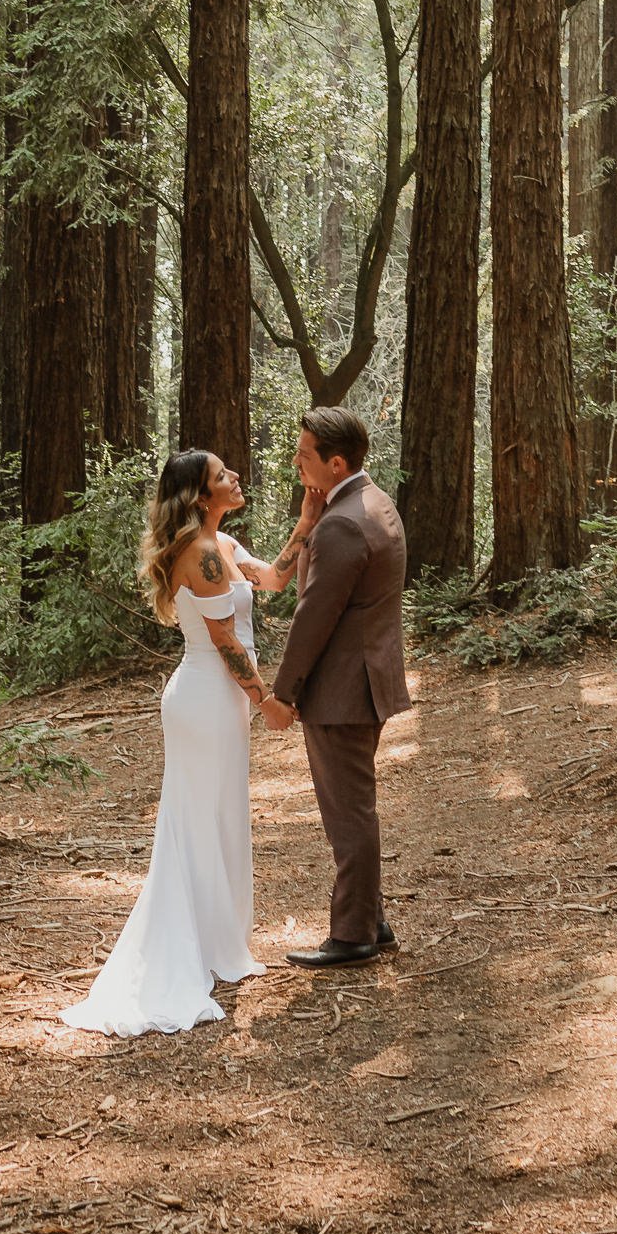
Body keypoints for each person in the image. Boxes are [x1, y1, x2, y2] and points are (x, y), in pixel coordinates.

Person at [60, 447, 322, 1036]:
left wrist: (305, 524)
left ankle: (217, 942)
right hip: (205, 697)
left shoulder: (223, 548)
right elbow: (226, 640)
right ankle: (191, 946)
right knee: (198, 817)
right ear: (203, 496)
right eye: (222, 475)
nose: (235, 477)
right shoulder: (200, 555)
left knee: (220, 814)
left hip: (222, 700)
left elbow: (275, 580)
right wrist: (268, 701)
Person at [261, 405, 410, 968]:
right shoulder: (372, 502)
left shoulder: (344, 522)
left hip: (343, 688)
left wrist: (284, 692)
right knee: (354, 805)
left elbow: (314, 615)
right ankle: (370, 917)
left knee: (347, 813)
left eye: (304, 456)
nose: (296, 462)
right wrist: (308, 520)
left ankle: (352, 936)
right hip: (365, 677)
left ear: (336, 461)